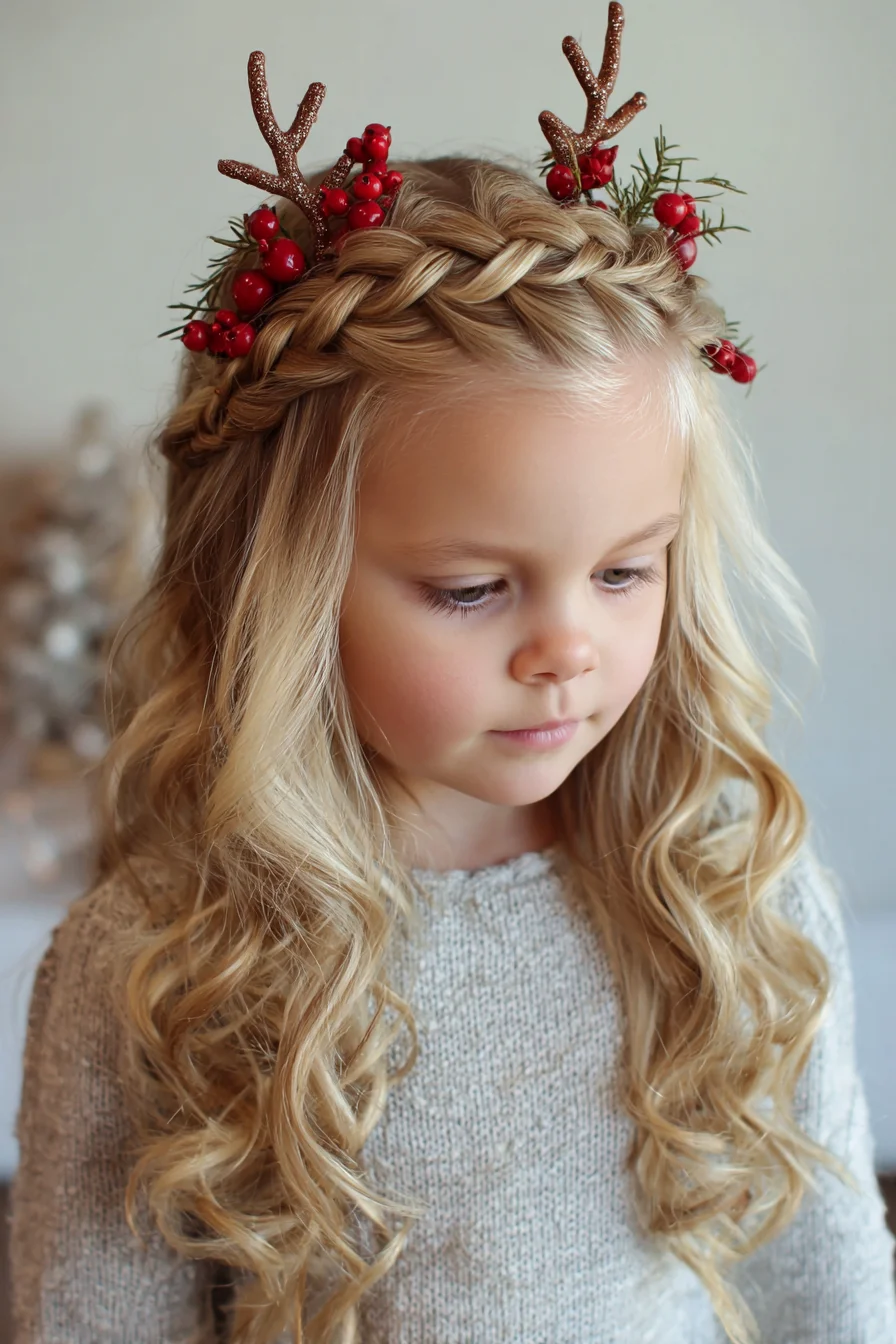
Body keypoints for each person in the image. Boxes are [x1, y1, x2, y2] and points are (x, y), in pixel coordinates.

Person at [10, 7, 896, 1342]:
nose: (568, 650)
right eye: (472, 590)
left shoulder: (729, 886)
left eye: (626, 571)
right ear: (283, 591)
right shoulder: (158, 962)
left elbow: (826, 1285)